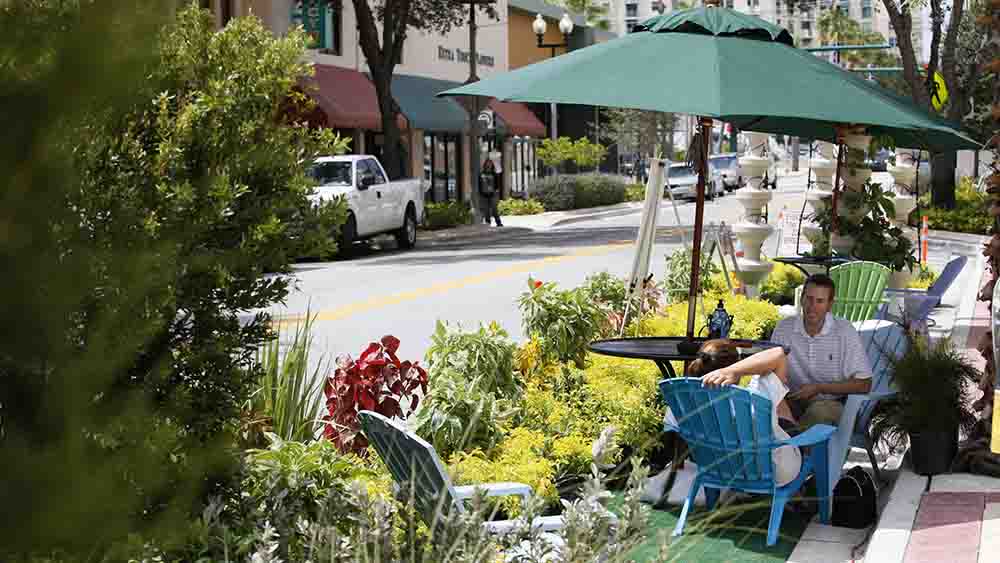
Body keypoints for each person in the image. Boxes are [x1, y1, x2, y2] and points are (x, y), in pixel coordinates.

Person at [683, 340, 802, 486]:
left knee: (776, 409)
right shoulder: (754, 397)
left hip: (719, 469)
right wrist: (732, 370)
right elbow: (779, 353)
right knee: (783, 413)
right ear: (735, 364)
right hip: (772, 471)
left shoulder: (683, 395)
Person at [770, 274, 872, 432]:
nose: (812, 306)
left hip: (835, 403)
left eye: (820, 301)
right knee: (763, 407)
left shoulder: (844, 331)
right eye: (809, 298)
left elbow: (864, 384)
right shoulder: (784, 328)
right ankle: (787, 447)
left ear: (830, 305)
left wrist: (819, 388)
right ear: (801, 299)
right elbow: (770, 374)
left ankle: (797, 450)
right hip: (791, 400)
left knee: (819, 413)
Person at [479, 157, 502, 227]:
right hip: (484, 194)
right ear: (485, 164)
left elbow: (497, 184)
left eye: (490, 163)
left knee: (494, 209)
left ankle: (498, 222)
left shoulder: (494, 174)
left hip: (493, 194)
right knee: (486, 210)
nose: (489, 165)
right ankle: (488, 223)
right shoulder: (481, 174)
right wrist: (480, 192)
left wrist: (496, 192)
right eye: (487, 163)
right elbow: (479, 184)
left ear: (492, 165)